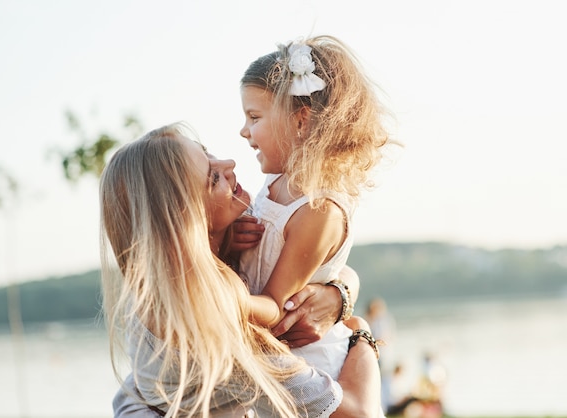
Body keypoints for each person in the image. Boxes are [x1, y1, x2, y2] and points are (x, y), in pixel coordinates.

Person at [100, 123, 382, 418]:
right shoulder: (216, 325)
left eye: (209, 154)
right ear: (189, 221)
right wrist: (360, 333)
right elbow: (357, 413)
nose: (229, 164)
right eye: (213, 178)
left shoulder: (157, 295)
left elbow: (131, 395)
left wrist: (342, 291)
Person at [232, 35, 393, 381]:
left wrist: (223, 297)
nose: (244, 131)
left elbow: (276, 307)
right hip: (266, 357)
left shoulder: (319, 209)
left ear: (301, 121)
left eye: (254, 116)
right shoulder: (274, 185)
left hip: (306, 366)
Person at [365, 297, 397, 413]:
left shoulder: (384, 321)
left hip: (384, 356)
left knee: (385, 381)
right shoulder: (369, 321)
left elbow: (388, 338)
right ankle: (381, 407)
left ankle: (384, 406)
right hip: (376, 357)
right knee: (378, 382)